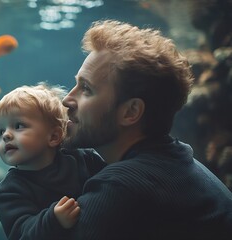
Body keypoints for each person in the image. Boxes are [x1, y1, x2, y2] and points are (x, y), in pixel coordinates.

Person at [62, 19, 232, 239]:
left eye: (86, 89)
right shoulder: (179, 160)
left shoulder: (121, 186)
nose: (67, 99)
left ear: (131, 112)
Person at [0, 83, 106, 240]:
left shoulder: (83, 158)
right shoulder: (8, 192)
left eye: (18, 126)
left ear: (53, 137)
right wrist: (53, 220)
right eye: (1, 131)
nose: (6, 135)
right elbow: (22, 234)